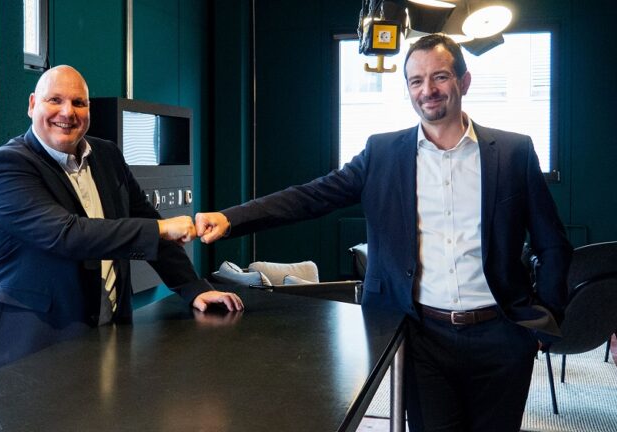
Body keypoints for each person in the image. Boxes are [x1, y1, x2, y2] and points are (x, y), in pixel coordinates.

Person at [195, 34, 571, 431]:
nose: (427, 90)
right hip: (421, 337)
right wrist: (231, 219)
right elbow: (311, 197)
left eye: (440, 76)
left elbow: (553, 244)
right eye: (416, 80)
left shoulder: (513, 152)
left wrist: (543, 325)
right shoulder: (382, 153)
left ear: (464, 81)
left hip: (501, 336)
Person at [0, 65, 243, 379]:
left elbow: (145, 220)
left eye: (78, 103)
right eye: (54, 100)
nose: (67, 112)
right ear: (32, 104)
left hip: (99, 347)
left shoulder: (107, 155)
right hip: (19, 356)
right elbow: (66, 235)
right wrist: (161, 228)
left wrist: (194, 288)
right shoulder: (7, 165)